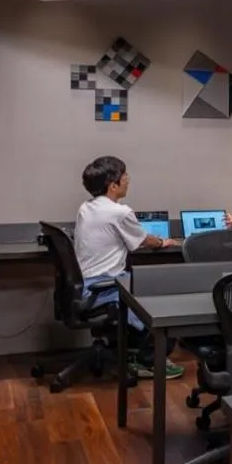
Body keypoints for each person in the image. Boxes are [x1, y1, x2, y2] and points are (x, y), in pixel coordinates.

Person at [74, 155, 184, 379]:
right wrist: (164, 242)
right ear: (113, 185)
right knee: (168, 299)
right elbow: (145, 241)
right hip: (105, 287)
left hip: (85, 285)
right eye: (125, 177)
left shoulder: (85, 207)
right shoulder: (120, 212)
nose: (128, 180)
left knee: (143, 286)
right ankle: (150, 361)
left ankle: (137, 351)